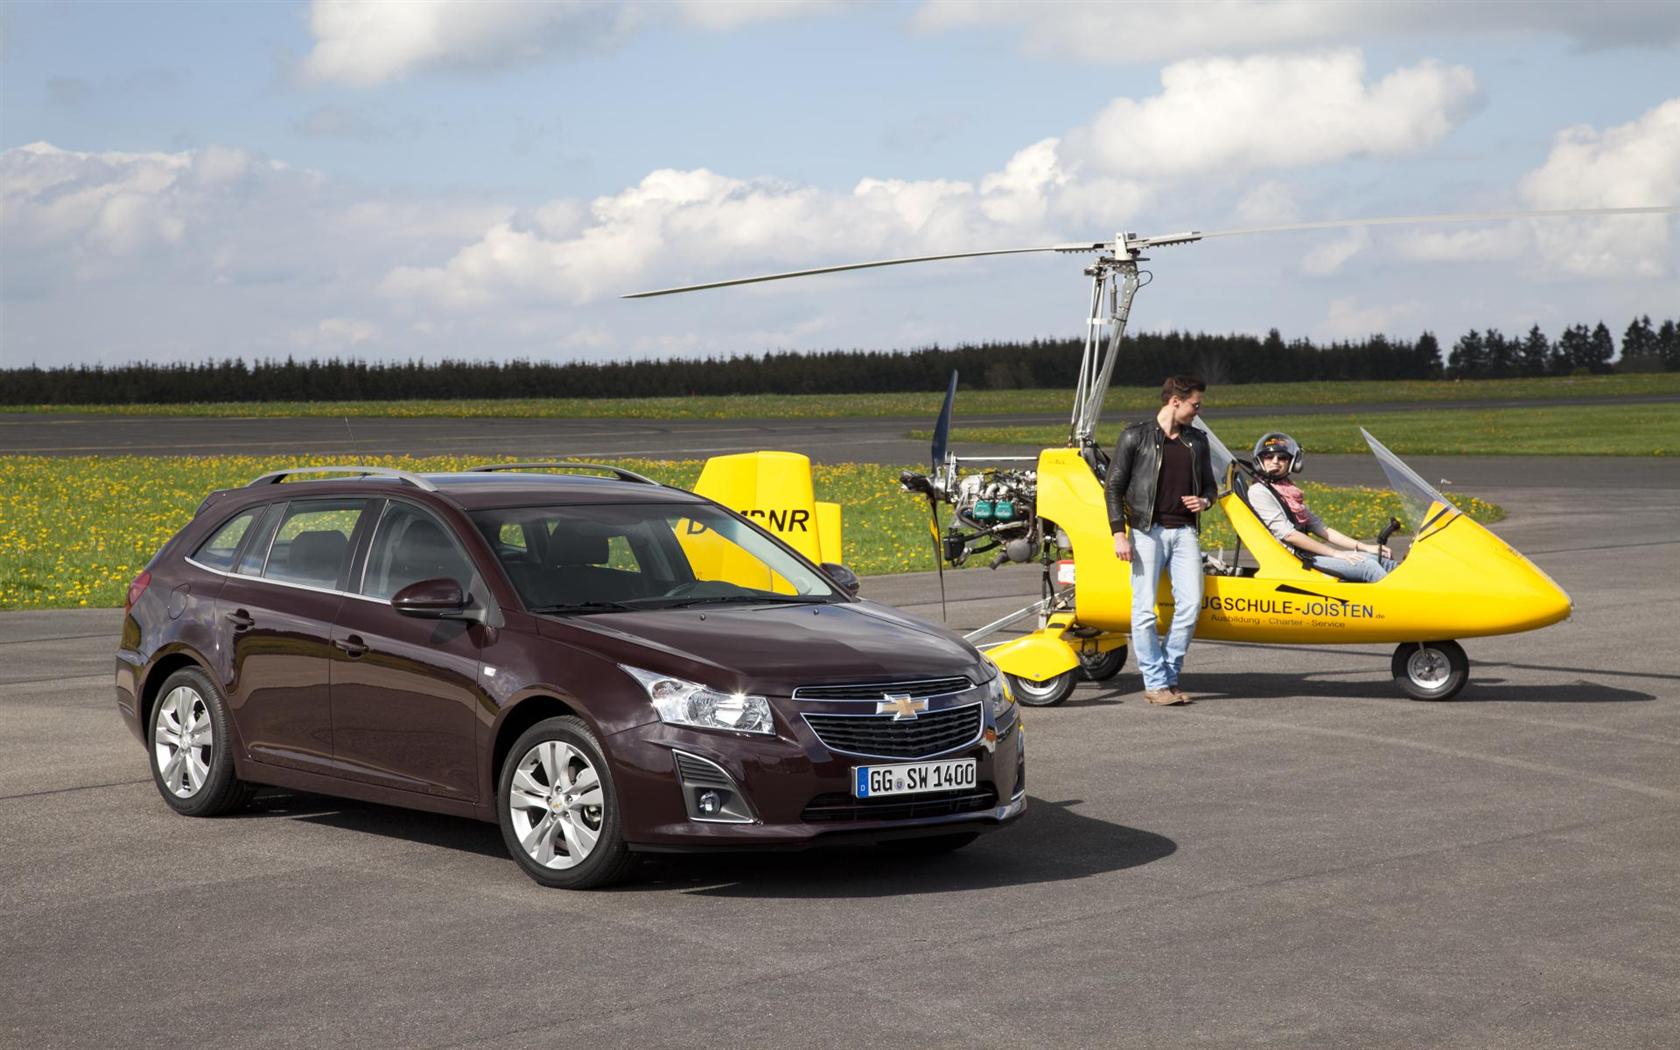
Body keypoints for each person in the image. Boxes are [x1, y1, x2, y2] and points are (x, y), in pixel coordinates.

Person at [1105, 375, 1218, 706]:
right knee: (1143, 611)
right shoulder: (1134, 436)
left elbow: (1210, 486)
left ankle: (1166, 677)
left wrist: (1206, 502)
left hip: (1185, 533)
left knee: (1191, 605)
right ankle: (1156, 684)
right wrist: (1118, 533)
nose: (1198, 411)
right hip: (1145, 532)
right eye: (1195, 405)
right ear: (1175, 401)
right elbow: (1113, 487)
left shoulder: (1197, 440)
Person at [1246, 432, 1396, 582]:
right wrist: (1336, 553)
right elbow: (1289, 534)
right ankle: (1399, 602)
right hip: (1294, 559)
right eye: (1269, 457)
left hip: (1307, 554)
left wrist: (1364, 547)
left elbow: (1320, 528)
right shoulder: (1259, 492)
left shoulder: (1287, 490)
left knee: (1382, 560)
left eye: (1282, 457)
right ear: (1260, 460)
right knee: (1368, 566)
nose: (1275, 461)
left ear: (1291, 462)